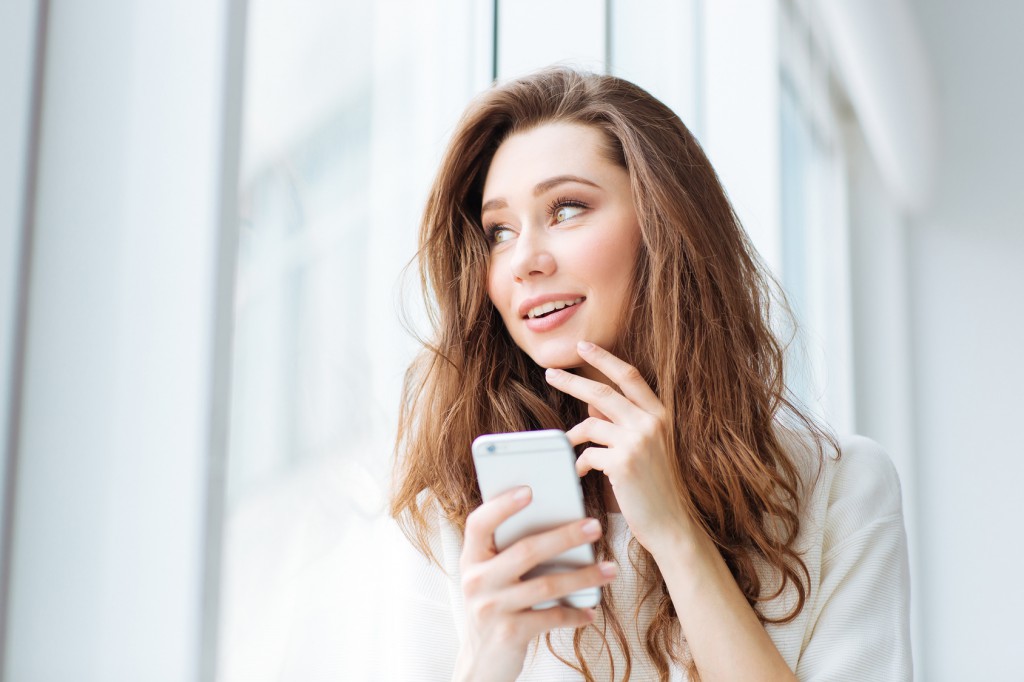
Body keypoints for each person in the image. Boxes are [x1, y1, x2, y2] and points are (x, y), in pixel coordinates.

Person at [390, 67, 911, 681]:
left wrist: (674, 532)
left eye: (566, 209)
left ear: (662, 226)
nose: (525, 260)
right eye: (499, 230)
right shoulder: (456, 517)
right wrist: (490, 655)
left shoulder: (841, 491)